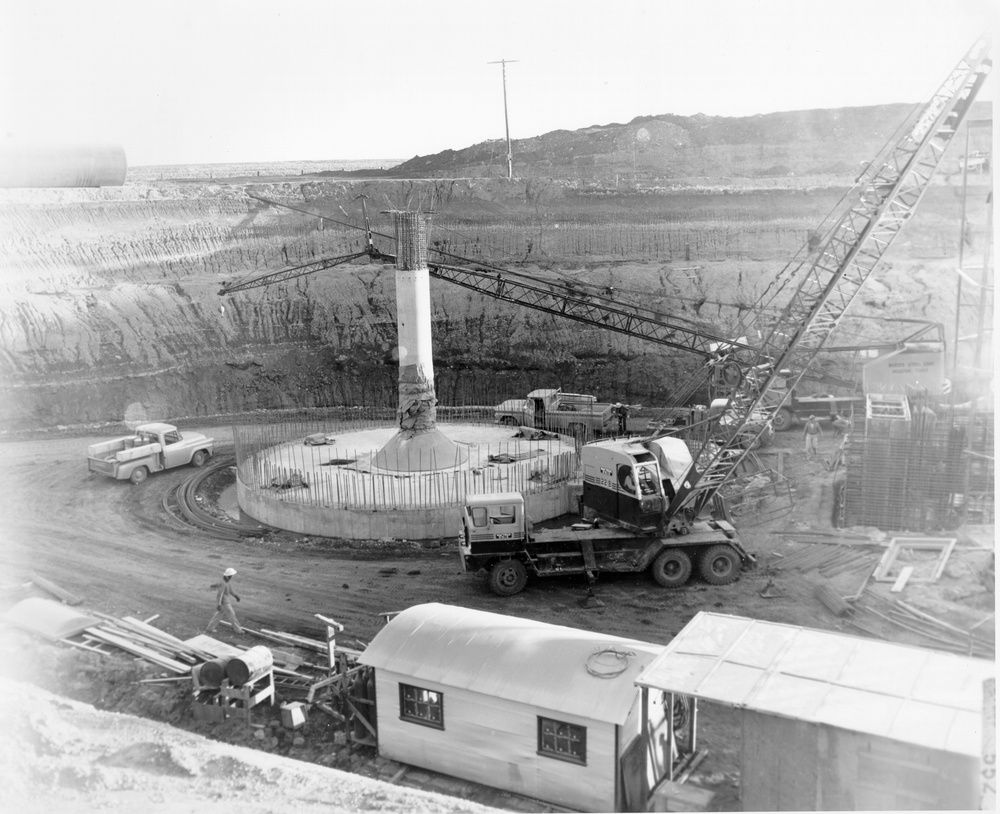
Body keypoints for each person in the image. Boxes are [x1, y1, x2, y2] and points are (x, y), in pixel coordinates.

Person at [206, 567, 243, 635]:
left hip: (224, 603)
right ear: (227, 576)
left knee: (218, 616)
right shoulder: (223, 583)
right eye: (230, 576)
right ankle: (238, 630)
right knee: (232, 616)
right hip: (225, 604)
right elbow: (220, 594)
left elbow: (230, 591)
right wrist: (218, 604)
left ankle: (210, 628)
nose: (231, 577)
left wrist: (236, 596)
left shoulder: (227, 582)